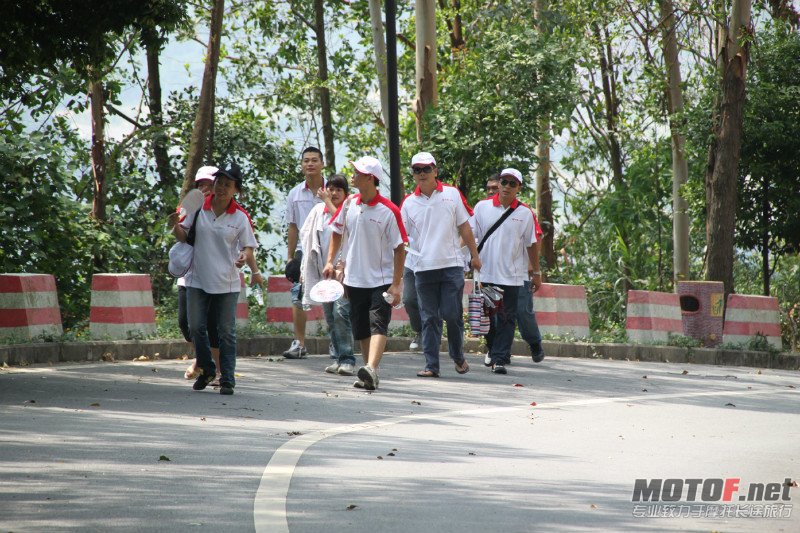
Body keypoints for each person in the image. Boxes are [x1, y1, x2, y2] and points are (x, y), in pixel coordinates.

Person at [171, 163, 262, 395]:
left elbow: (249, 247)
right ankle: (208, 369)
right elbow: (183, 235)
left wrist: (245, 257)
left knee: (225, 331)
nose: (221, 188)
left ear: (236, 190)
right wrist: (174, 225)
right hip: (196, 278)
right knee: (195, 326)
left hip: (227, 282)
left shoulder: (240, 217)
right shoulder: (199, 207)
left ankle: (228, 378)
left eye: (227, 185)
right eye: (219, 183)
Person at [323, 156, 407, 391]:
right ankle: (370, 372)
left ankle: (370, 368)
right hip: (354, 279)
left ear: (370, 178)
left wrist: (396, 284)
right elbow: (337, 232)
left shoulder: (389, 211)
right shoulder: (349, 204)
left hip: (381, 281)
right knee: (360, 327)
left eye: (358, 172)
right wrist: (330, 261)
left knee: (378, 323)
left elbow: (400, 248)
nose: (353, 175)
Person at [401, 152, 481, 378]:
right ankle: (431, 365)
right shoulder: (408, 203)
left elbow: (465, 226)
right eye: (417, 170)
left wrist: (474, 256)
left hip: (451, 265)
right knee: (429, 318)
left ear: (435, 171)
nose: (422, 174)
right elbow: (400, 236)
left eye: (426, 169)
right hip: (423, 268)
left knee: (451, 314)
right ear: (413, 174)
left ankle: (458, 356)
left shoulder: (451, 194)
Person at [470, 168, 541, 375]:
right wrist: (471, 258)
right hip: (487, 273)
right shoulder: (482, 207)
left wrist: (536, 272)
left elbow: (531, 244)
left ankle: (500, 359)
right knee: (488, 317)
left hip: (512, 276)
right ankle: (493, 349)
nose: (507, 187)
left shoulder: (525, 213)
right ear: (498, 184)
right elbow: (471, 235)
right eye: (504, 182)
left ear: (518, 188)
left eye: (512, 183)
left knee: (508, 317)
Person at [299, 175, 356, 376]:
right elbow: (307, 240)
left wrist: (326, 201)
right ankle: (338, 358)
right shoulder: (318, 212)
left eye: (338, 190)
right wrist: (306, 269)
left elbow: (343, 224)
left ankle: (348, 359)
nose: (333, 193)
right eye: (330, 189)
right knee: (330, 317)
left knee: (341, 314)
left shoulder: (350, 209)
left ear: (346, 193)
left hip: (346, 274)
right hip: (325, 273)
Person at [178, 165, 222, 383]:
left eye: (209, 184)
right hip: (189, 273)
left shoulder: (224, 209)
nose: (205, 188)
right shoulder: (189, 207)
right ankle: (203, 360)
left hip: (214, 276)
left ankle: (215, 369)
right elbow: (181, 235)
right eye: (201, 184)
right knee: (185, 322)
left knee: (211, 325)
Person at [283, 147, 326, 359]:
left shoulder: (333, 191)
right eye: (306, 161)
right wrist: (290, 257)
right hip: (303, 249)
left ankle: (337, 343)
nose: (310, 164)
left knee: (332, 294)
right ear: (302, 166)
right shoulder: (295, 194)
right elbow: (292, 226)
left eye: (314, 160)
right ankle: (299, 343)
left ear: (322, 164)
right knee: (297, 294)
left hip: (329, 248)